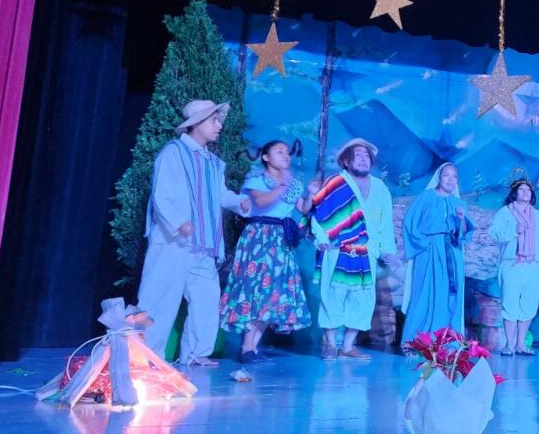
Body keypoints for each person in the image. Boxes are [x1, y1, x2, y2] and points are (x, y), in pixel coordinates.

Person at [138, 100, 250, 366]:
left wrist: (239, 202)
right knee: (160, 298)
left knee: (206, 299)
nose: (219, 126)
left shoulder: (214, 163)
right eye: (214, 120)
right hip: (174, 242)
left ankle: (196, 353)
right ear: (196, 123)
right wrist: (178, 222)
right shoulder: (173, 153)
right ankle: (146, 357)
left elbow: (219, 195)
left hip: (204, 245)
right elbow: (162, 194)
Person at [219, 140, 316, 363]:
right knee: (256, 290)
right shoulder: (257, 178)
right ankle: (246, 346)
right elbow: (261, 203)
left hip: (281, 240)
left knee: (273, 292)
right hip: (260, 237)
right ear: (266, 157)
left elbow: (303, 209)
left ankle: (252, 347)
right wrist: (282, 186)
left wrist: (310, 194)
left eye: (287, 152)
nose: (285, 155)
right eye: (279, 152)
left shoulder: (293, 183)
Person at [309, 138, 397, 361]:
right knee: (333, 294)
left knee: (363, 298)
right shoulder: (335, 183)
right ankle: (330, 343)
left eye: (367, 156)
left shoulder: (380, 187)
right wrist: (321, 239)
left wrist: (387, 250)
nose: (363, 159)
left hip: (367, 250)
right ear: (346, 161)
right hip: (337, 247)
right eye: (358, 155)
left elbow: (386, 221)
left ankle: (347, 346)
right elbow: (319, 215)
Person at [400, 163, 474, 348]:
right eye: (446, 175)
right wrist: (425, 243)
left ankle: (445, 343)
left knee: (450, 297)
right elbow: (410, 223)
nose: (450, 179)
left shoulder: (459, 203)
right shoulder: (426, 197)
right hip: (429, 252)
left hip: (452, 254)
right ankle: (413, 342)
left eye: (454, 176)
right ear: (439, 177)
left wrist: (461, 219)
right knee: (423, 295)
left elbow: (464, 234)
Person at [489, 179, 539, 356]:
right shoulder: (505, 212)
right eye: (521, 189)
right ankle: (509, 345)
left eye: (528, 189)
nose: (525, 192)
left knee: (529, 303)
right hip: (512, 263)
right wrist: (514, 230)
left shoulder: (538, 215)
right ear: (515, 193)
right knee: (510, 302)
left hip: (533, 264)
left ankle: (521, 344)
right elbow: (494, 233)